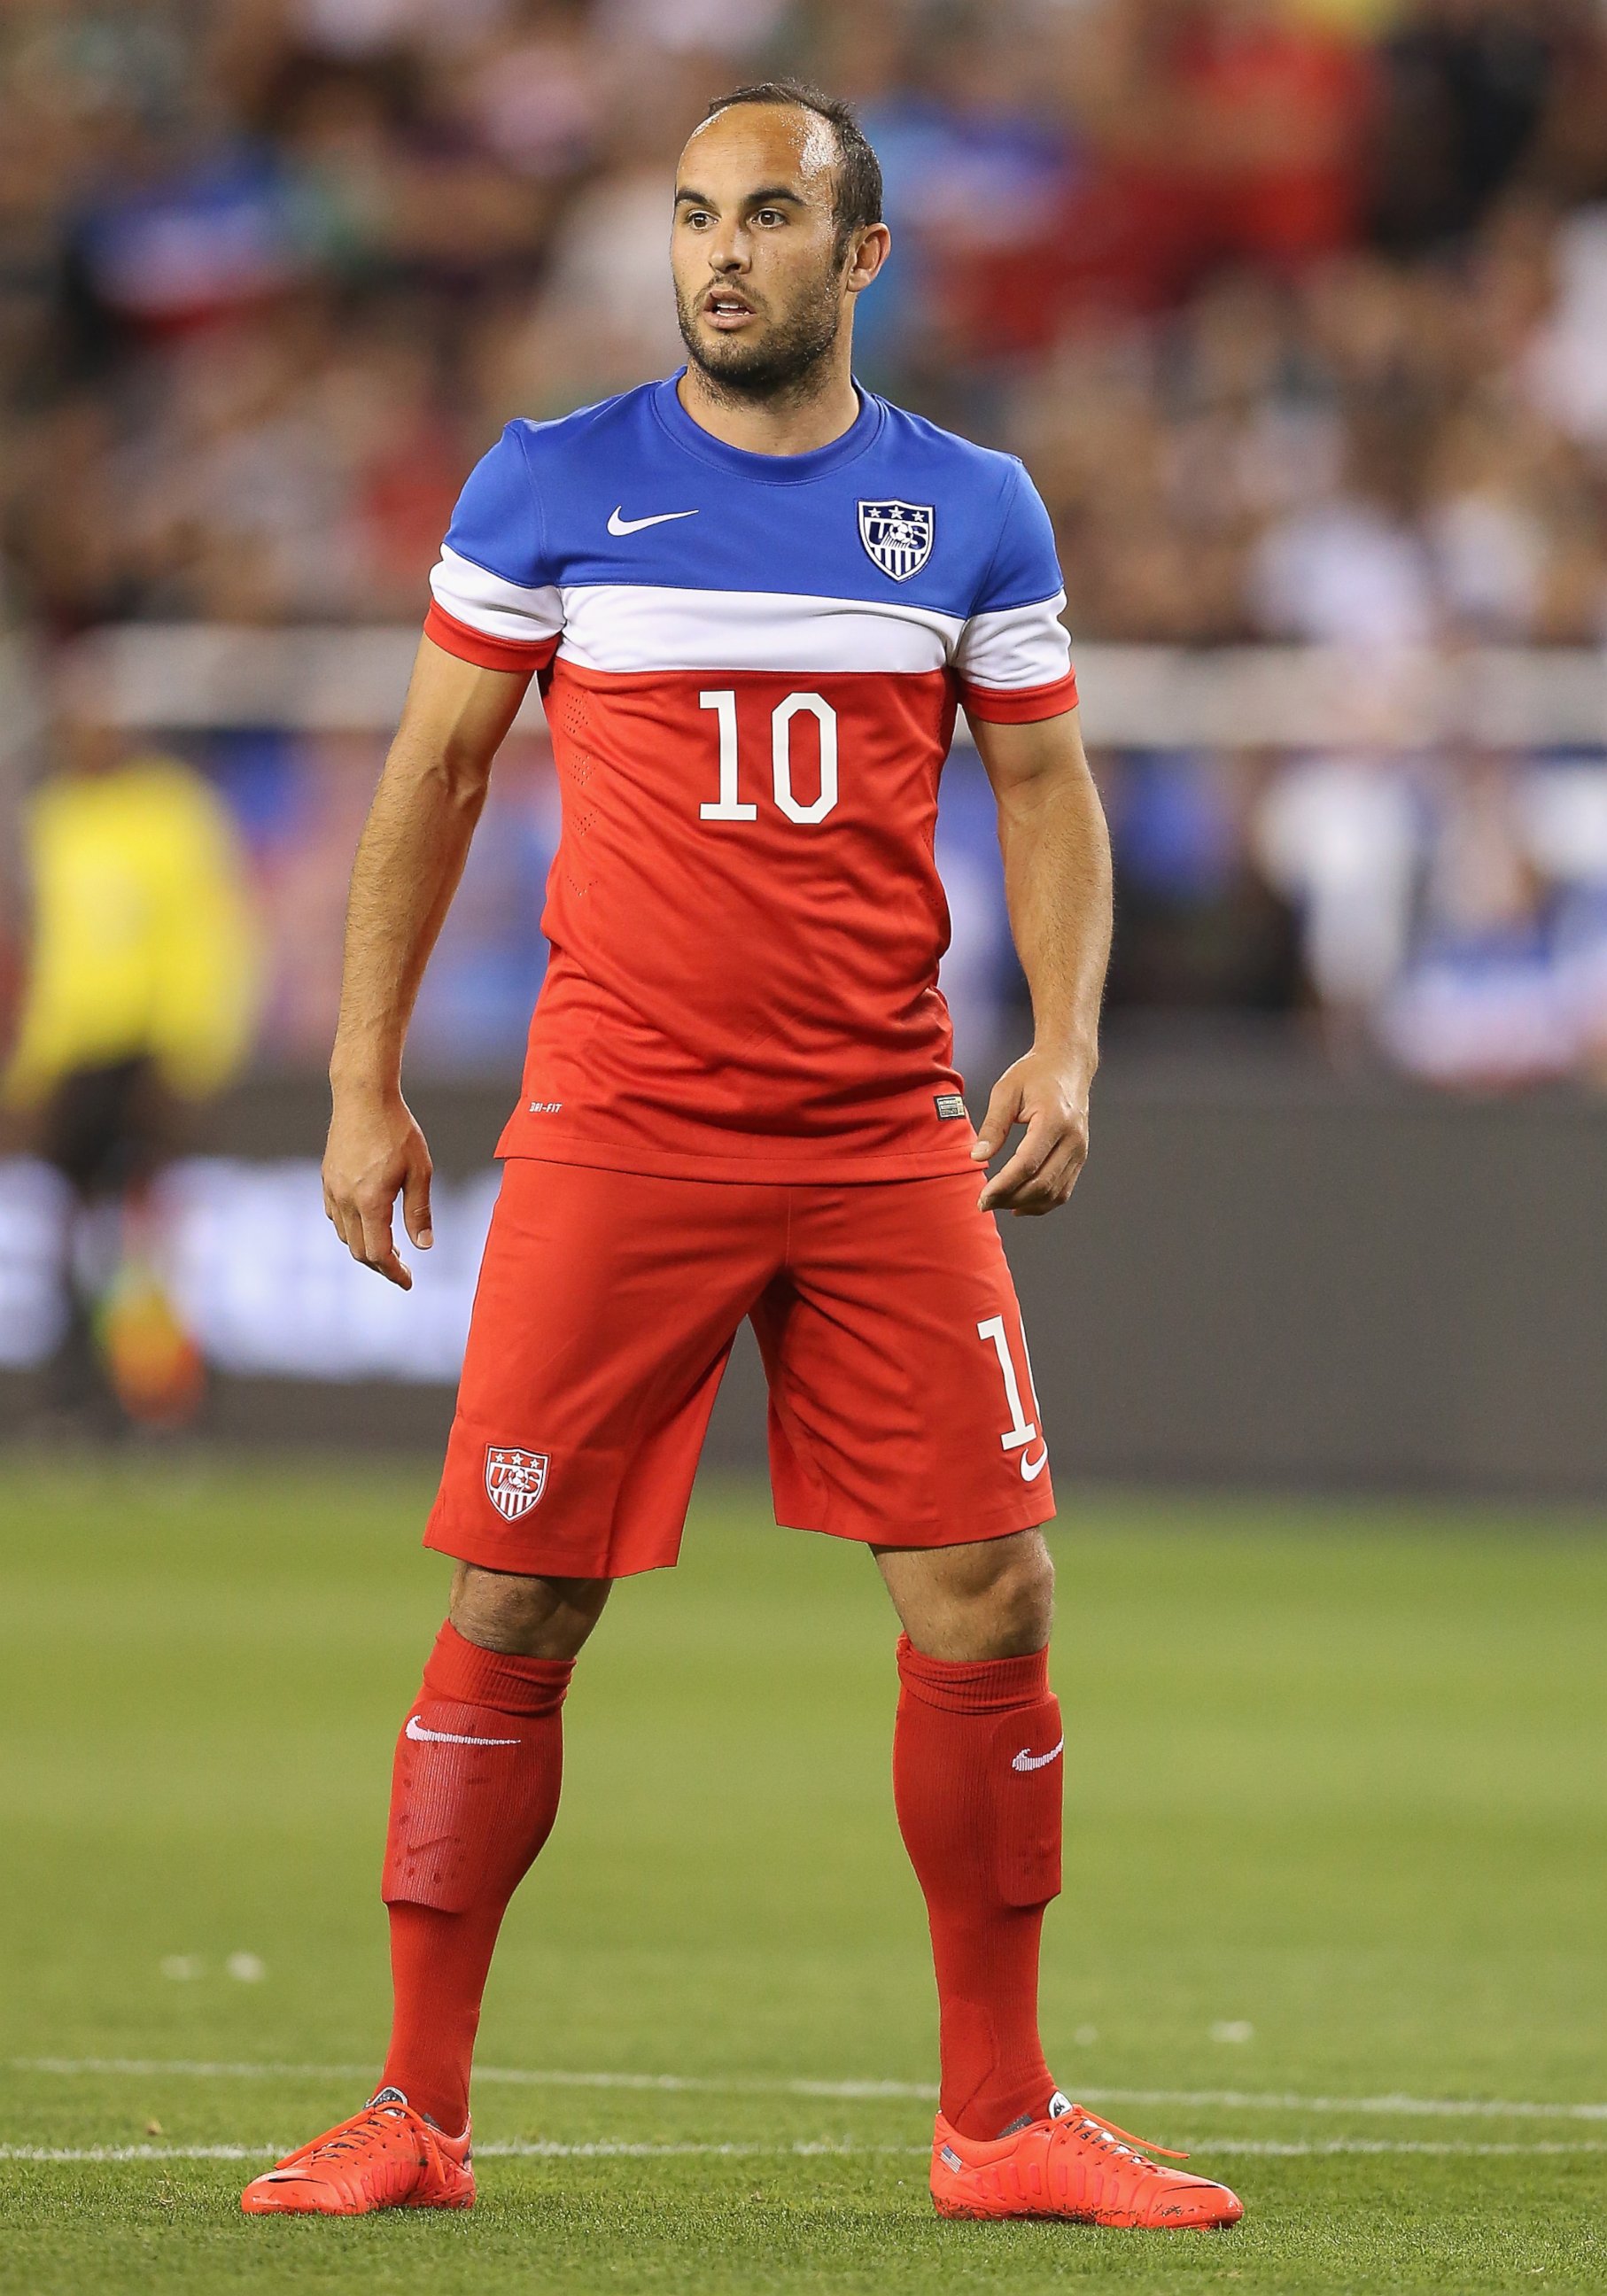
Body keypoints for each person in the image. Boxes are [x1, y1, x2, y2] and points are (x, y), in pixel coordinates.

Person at [242, 81, 1242, 2232]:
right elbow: (432, 769)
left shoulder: (968, 508)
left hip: (885, 1135)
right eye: (697, 215)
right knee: (517, 1591)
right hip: (621, 1129)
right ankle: (412, 2109)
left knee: (991, 1595)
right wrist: (359, 1072)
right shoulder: (553, 483)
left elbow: (1047, 793)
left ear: (860, 258)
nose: (721, 253)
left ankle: (999, 2125)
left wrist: (1063, 1042)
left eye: (769, 216)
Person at [2, 708, 259, 1429]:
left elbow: (210, 937)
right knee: (71, 1234)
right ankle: (77, 1394)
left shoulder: (175, 811)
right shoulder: (53, 816)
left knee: (147, 1236)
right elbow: (49, 955)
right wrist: (31, 1072)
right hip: (73, 1057)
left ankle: (159, 1397)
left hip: (146, 1052)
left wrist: (191, 1050)